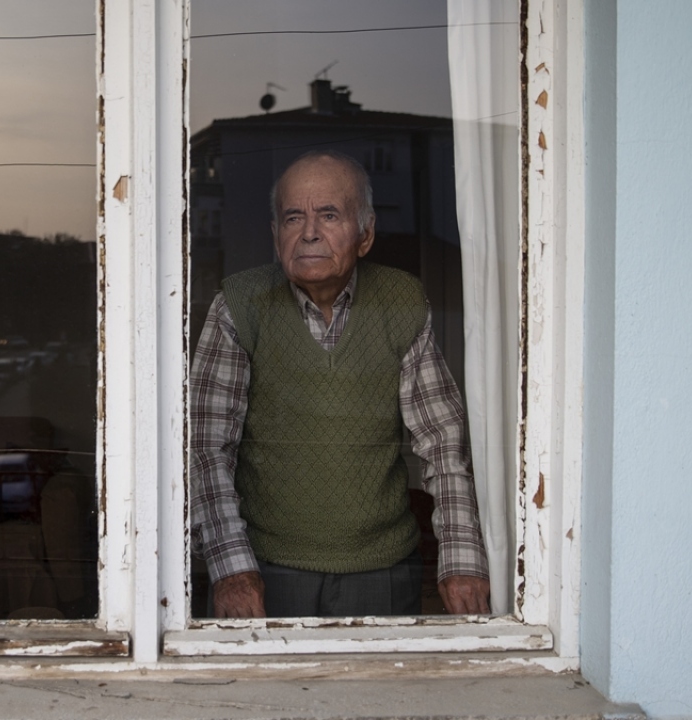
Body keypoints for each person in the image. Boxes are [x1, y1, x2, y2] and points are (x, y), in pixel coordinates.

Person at [190, 149, 490, 619]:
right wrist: (232, 570)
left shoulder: (400, 300)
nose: (309, 231)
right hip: (268, 569)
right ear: (275, 235)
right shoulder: (239, 305)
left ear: (366, 234)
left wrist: (462, 560)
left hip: (384, 569)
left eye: (328, 215)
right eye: (294, 217)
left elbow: (442, 444)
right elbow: (206, 448)